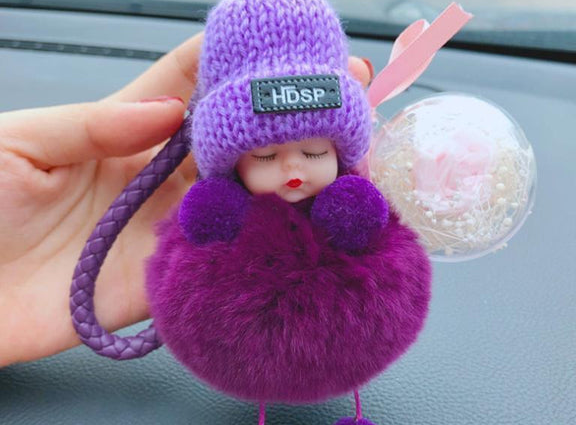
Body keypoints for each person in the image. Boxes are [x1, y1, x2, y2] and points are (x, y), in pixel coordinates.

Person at [0, 30, 372, 368]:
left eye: (314, 153)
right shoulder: (220, 212)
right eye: (265, 156)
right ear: (234, 168)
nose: (293, 168)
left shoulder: (348, 206)